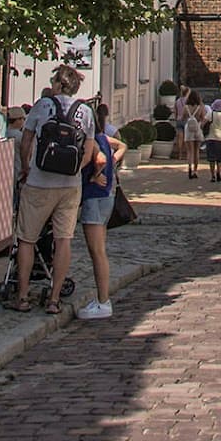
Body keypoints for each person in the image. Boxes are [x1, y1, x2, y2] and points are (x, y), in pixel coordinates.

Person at [6, 63, 96, 315]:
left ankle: (22, 297)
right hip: (70, 186)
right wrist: (75, 170)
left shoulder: (42, 106)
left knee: (26, 238)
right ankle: (54, 299)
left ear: (57, 83)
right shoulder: (86, 112)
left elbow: (26, 141)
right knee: (63, 240)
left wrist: (26, 167)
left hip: (39, 181)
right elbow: (88, 153)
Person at [77, 116, 127, 321]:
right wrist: (113, 164)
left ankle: (103, 300)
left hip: (95, 197)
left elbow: (101, 159)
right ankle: (102, 299)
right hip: (106, 196)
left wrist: (94, 174)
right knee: (99, 249)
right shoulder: (104, 138)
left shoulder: (95, 141)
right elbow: (122, 145)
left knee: (97, 251)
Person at [182, 90, 209, 180]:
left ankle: (189, 168)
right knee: (196, 151)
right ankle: (195, 171)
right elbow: (204, 118)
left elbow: (182, 117)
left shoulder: (186, 107)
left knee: (189, 151)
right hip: (197, 128)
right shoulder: (200, 107)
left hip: (188, 129)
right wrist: (201, 124)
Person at [207, 102, 221, 182]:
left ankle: (212, 175)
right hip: (220, 138)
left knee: (211, 158)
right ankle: (218, 172)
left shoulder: (210, 114)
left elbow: (203, 123)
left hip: (210, 137)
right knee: (219, 157)